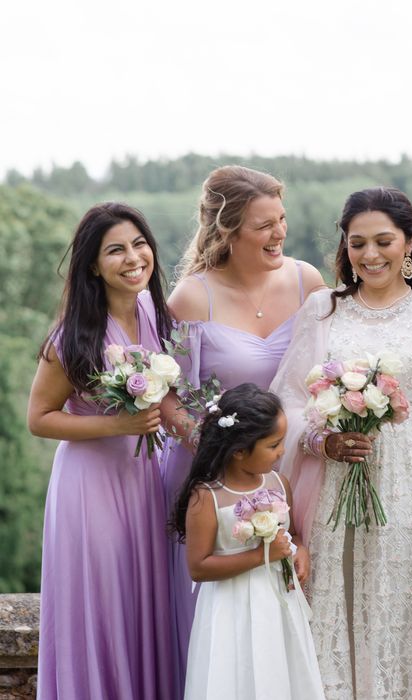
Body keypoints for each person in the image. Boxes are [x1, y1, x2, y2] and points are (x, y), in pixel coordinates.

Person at [271, 187, 412, 699]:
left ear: (409, 242)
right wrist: (324, 439)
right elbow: (287, 404)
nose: (370, 255)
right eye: (358, 243)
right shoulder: (322, 309)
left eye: (383, 241)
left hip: (404, 482)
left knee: (395, 609)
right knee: (331, 601)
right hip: (334, 480)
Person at [161, 164, 324, 686]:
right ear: (227, 231)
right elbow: (169, 395)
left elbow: (325, 374)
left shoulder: (308, 282)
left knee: (291, 599)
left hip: (293, 464)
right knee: (218, 615)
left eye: (281, 219)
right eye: (263, 225)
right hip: (216, 480)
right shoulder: (192, 297)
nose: (279, 233)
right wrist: (219, 454)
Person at [28, 203, 176, 699]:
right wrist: (119, 423)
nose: (133, 258)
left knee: (145, 602)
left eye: (139, 244)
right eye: (116, 250)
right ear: (93, 265)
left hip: (144, 482)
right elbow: (40, 419)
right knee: (105, 604)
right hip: (90, 487)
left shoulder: (156, 314)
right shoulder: (72, 335)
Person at [171, 383, 324, 700]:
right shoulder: (207, 496)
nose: (282, 451)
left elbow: (292, 534)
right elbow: (198, 567)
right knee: (236, 676)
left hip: (277, 604)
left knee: (279, 672)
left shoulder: (279, 483)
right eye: (273, 445)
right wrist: (260, 557)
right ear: (239, 451)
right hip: (231, 608)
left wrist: (301, 551)